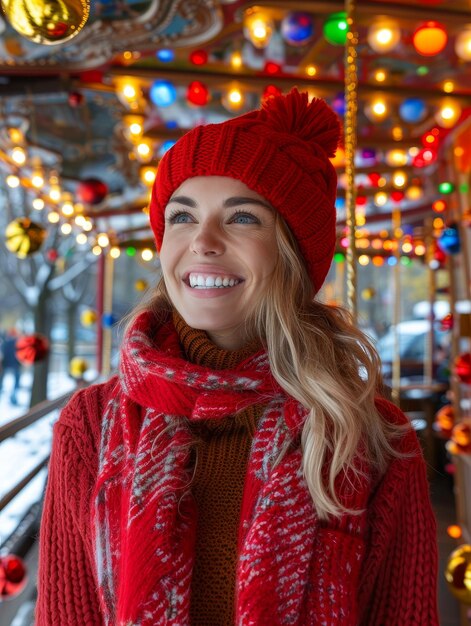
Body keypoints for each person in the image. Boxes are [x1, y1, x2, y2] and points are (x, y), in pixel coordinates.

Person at [36, 89, 438, 625]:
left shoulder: (373, 440)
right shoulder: (90, 426)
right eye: (182, 216)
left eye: (243, 218)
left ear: (293, 252)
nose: (202, 240)